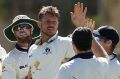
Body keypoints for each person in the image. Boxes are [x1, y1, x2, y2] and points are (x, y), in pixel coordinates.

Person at [28, 2, 87, 79]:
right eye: (48, 21)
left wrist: (80, 26)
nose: (51, 25)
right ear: (39, 24)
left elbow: (86, 48)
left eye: (54, 22)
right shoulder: (32, 48)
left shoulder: (66, 43)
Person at [2, 15, 40, 79]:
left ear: (32, 30)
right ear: (14, 33)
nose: (22, 29)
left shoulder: (43, 51)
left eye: (25, 26)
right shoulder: (9, 59)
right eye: (17, 28)